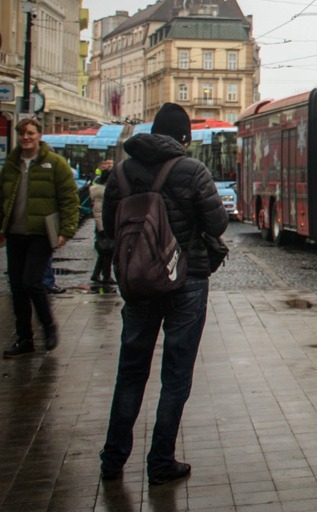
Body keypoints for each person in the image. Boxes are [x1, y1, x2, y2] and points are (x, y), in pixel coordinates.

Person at [99, 103, 228, 485]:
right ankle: (160, 461)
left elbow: (109, 226)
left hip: (138, 283)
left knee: (130, 371)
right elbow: (218, 222)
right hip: (186, 281)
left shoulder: (121, 172)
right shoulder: (192, 170)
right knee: (176, 374)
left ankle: (113, 459)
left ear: (152, 132)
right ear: (183, 137)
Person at [1, 117, 80, 357]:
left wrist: (66, 231)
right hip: (15, 233)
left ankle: (49, 327)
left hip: (40, 233)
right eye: (22, 134)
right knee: (17, 287)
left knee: (32, 282)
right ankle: (24, 338)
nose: (26, 138)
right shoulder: (11, 165)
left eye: (30, 133)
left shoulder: (55, 164)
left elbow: (69, 199)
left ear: (39, 136)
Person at [89, 168, 114, 285]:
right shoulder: (102, 192)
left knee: (104, 251)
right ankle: (106, 276)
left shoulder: (102, 190)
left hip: (104, 225)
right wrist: (102, 229)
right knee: (108, 251)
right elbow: (98, 211)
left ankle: (96, 274)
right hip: (104, 226)